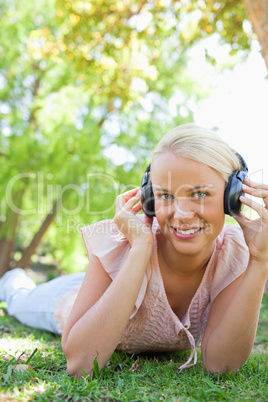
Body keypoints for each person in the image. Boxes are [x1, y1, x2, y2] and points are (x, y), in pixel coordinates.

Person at [1, 124, 268, 378]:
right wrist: (140, 249)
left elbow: (221, 365)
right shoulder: (124, 241)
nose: (182, 214)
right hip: (75, 298)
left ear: (232, 196)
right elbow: (80, 365)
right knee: (18, 298)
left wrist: (260, 260)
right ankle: (13, 278)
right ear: (150, 199)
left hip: (102, 283)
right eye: (165, 195)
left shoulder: (234, 252)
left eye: (199, 194)